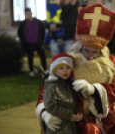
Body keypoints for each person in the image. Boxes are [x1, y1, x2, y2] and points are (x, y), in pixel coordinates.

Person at [35, 3, 115, 134]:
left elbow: (113, 91)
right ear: (80, 47)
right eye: (86, 51)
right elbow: (48, 87)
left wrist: (94, 89)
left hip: (101, 119)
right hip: (71, 117)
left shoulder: (110, 64)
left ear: (102, 50)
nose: (90, 57)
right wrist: (45, 113)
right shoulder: (69, 61)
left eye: (95, 52)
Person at [43, 52, 83, 134]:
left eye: (68, 67)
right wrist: (69, 115)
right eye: (61, 68)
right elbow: (50, 106)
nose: (65, 70)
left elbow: (74, 102)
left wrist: (77, 114)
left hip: (70, 128)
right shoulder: (52, 87)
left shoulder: (70, 86)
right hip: (58, 129)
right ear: (55, 71)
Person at [17, 8, 47, 77]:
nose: (28, 15)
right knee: (30, 57)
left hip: (38, 42)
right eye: (26, 14)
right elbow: (20, 33)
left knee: (42, 55)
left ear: (31, 13)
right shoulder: (23, 23)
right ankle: (31, 71)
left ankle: (45, 69)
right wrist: (23, 41)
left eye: (29, 13)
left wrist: (41, 39)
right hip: (28, 43)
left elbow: (43, 31)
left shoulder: (38, 22)